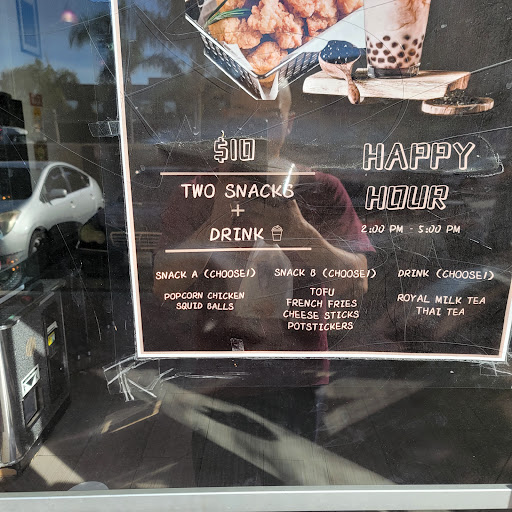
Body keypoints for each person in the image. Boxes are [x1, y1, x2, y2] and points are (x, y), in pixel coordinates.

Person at [151, 85, 373, 358]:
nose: (257, 128)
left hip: (299, 365)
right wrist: (217, 220)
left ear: (289, 122)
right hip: (218, 363)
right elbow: (164, 286)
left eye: (270, 116)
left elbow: (356, 284)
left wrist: (299, 232)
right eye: (244, 115)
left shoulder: (321, 189)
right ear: (227, 120)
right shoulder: (198, 191)